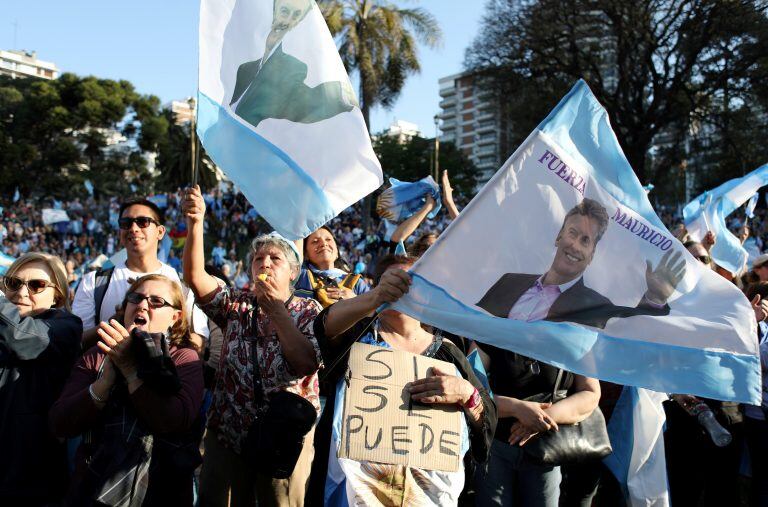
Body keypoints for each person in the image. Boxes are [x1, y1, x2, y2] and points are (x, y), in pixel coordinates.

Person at [316, 254, 497, 506]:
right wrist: (375, 297)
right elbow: (325, 327)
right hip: (355, 493)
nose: (401, 288)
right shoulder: (355, 338)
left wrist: (468, 395)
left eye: (412, 282)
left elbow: (487, 418)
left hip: (427, 495)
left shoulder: (449, 353)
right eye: (393, 280)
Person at [182, 185, 323, 507]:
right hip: (229, 429)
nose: (265, 263)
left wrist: (276, 309)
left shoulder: (309, 310)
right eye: (258, 258)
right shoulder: (235, 303)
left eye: (275, 258)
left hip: (285, 435)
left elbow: (304, 363)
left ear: (293, 272)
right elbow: (194, 276)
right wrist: (195, 223)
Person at [50, 274, 204, 506]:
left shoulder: (184, 359)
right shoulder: (99, 353)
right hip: (92, 487)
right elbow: (59, 423)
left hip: (160, 490)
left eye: (156, 301)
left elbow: (174, 420)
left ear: (175, 317)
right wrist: (104, 383)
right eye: (136, 298)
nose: (143, 305)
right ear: (125, 307)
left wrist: (131, 372)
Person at [477, 198, 685, 329]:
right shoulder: (508, 282)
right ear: (559, 236)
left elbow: (632, 332)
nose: (575, 245)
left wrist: (654, 298)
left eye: (586, 240)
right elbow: (470, 321)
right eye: (572, 233)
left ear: (592, 254)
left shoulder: (595, 307)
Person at [0, 253, 83, 506]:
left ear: (57, 294)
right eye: (14, 283)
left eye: (36, 285)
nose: (22, 292)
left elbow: (21, 337)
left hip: (32, 477)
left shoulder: (67, 326)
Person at [72, 197, 208, 350]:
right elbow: (76, 342)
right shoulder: (94, 282)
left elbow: (200, 341)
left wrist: (164, 347)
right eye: (126, 223)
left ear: (160, 231)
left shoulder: (181, 285)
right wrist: (114, 324)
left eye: (143, 222)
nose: (133, 228)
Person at [229, 0, 356, 128]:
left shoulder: (292, 68)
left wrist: (342, 94)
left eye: (296, 15)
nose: (287, 21)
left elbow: (308, 103)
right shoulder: (243, 65)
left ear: (298, 21)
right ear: (272, 10)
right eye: (284, 11)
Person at [295, 225, 370, 306]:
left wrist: (356, 302)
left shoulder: (357, 283)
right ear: (305, 254)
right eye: (315, 241)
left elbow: (376, 314)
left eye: (328, 239)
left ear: (337, 251)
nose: (323, 243)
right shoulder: (300, 275)